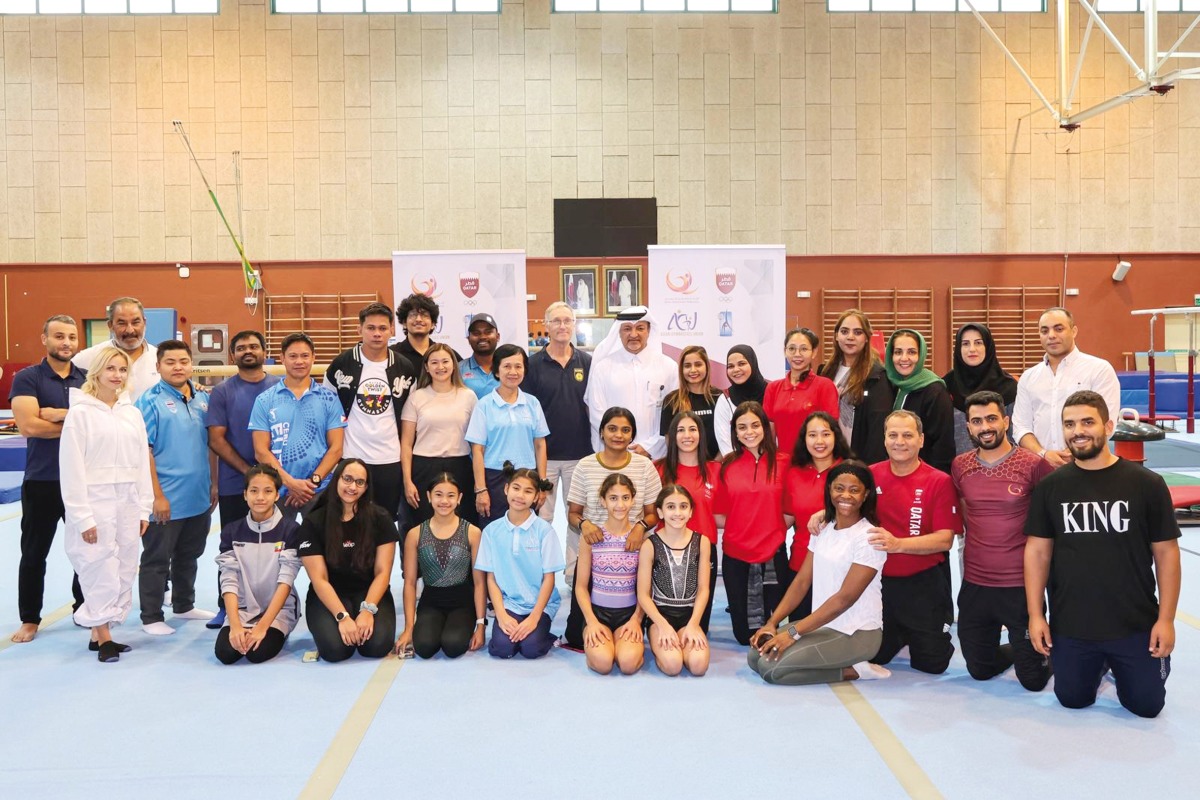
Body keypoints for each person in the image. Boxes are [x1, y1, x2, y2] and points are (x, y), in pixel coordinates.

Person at [1025, 391, 1181, 718]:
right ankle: (1094, 666)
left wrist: (1165, 620)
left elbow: (1166, 554)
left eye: (1087, 422)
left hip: (1134, 622)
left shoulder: (1147, 484)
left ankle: (1121, 665)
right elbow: (1037, 552)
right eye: (1069, 424)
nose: (1078, 431)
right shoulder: (1050, 488)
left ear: (1108, 426)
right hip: (1073, 623)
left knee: (1147, 706)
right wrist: (1036, 615)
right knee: (1072, 698)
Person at [749, 461, 890, 685]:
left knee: (770, 669)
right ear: (829, 490)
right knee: (755, 657)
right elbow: (802, 581)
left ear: (866, 495)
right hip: (824, 626)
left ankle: (855, 671)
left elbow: (844, 599)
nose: (846, 495)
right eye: (839, 488)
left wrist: (793, 633)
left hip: (857, 633)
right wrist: (772, 623)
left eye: (854, 490)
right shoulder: (823, 528)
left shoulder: (869, 538)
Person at [952, 390, 1053, 690]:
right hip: (976, 584)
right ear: (968, 427)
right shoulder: (960, 465)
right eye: (977, 421)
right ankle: (1019, 651)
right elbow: (968, 514)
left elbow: (1048, 524)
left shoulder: (1033, 464)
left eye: (992, 418)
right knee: (980, 670)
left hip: (1019, 585)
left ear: (1006, 421)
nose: (986, 427)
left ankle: (1056, 650)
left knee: (1033, 681)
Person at [59, 347, 153, 662]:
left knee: (125, 565)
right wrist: (82, 516)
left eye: (122, 369)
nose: (117, 375)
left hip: (127, 498)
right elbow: (71, 469)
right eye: (110, 368)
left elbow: (142, 462)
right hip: (94, 499)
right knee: (98, 565)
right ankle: (104, 638)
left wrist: (143, 507)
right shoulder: (80, 413)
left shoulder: (132, 413)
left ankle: (99, 630)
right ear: (96, 372)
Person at [8, 314, 87, 644]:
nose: (66, 342)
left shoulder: (87, 379)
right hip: (42, 480)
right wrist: (76, 423)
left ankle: (84, 607)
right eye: (58, 336)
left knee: (86, 551)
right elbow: (29, 426)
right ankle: (29, 618)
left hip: (81, 480)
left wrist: (57, 415)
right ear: (45, 339)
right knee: (34, 552)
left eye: (71, 337)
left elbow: (98, 424)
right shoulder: (27, 378)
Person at [864, 410, 962, 674]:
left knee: (933, 664)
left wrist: (898, 544)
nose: (900, 442)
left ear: (921, 439)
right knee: (875, 656)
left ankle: (923, 631)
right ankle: (899, 633)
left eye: (907, 435)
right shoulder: (869, 476)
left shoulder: (939, 481)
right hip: (880, 584)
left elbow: (945, 540)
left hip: (924, 584)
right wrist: (822, 514)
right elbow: (843, 507)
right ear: (884, 439)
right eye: (893, 435)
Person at [563, 407, 662, 648]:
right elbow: (573, 514)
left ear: (632, 436)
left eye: (625, 430)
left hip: (633, 553)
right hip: (594, 553)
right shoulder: (585, 466)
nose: (618, 435)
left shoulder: (644, 466)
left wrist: (640, 527)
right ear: (601, 432)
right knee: (577, 636)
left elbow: (654, 515)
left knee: (635, 638)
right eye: (612, 429)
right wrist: (585, 525)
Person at [136, 340, 217, 635]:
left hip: (198, 495)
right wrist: (156, 496)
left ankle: (183, 604)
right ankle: (151, 615)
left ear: (191, 364)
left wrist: (214, 484)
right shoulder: (149, 401)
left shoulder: (203, 399)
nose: (177, 367)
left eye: (183, 361)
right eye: (170, 362)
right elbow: (143, 450)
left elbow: (211, 445)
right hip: (166, 497)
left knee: (189, 554)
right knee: (157, 559)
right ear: (158, 367)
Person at [206, 329, 280, 629]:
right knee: (233, 548)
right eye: (241, 348)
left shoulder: (279, 387)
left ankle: (273, 605)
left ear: (265, 352)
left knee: (276, 548)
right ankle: (227, 606)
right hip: (236, 484)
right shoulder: (223, 392)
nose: (247, 351)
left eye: (253, 346)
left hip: (276, 484)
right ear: (232, 356)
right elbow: (217, 439)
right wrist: (248, 472)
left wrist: (271, 476)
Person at [325, 302, 417, 526]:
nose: (377, 334)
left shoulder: (404, 368)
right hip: (351, 457)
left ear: (392, 330)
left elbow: (408, 420)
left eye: (383, 328)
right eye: (371, 328)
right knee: (348, 524)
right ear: (360, 330)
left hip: (389, 460)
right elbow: (327, 412)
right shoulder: (340, 365)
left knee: (384, 526)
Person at [298, 458, 398, 662]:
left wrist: (368, 611)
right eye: (348, 479)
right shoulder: (313, 521)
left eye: (360, 482)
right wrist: (342, 617)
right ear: (336, 480)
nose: (353, 487)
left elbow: (383, 573)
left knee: (376, 647)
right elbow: (320, 579)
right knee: (335, 650)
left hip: (369, 591)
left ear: (366, 487)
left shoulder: (381, 518)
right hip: (329, 593)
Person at [714, 401, 793, 646]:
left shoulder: (784, 462)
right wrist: (743, 528)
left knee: (770, 630)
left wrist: (771, 530)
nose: (749, 432)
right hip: (736, 555)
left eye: (755, 425)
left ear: (765, 427)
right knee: (742, 636)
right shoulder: (726, 465)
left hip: (773, 555)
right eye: (742, 427)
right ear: (735, 433)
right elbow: (718, 514)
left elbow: (791, 510)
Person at [250, 333, 346, 520]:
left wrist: (312, 482)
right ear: (282, 359)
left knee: (321, 546)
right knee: (278, 548)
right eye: (293, 356)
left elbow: (336, 448)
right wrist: (290, 483)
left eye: (304, 356)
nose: (299, 361)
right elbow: (261, 451)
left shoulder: (329, 398)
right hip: (277, 490)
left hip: (318, 490)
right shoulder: (265, 400)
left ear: (313, 358)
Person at [213, 465, 302, 665]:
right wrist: (235, 625)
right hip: (242, 610)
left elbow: (286, 581)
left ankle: (278, 630)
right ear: (245, 495)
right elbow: (228, 578)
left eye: (268, 491)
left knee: (256, 653)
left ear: (277, 495)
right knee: (226, 654)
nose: (260, 497)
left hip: (279, 611)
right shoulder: (232, 531)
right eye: (254, 491)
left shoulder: (290, 530)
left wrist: (262, 627)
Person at [1012, 307, 1121, 468]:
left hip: (1087, 465)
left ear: (1074, 331)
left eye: (1059, 328)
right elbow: (1021, 427)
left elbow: (1106, 422)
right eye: (1044, 331)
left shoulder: (1099, 369)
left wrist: (1073, 452)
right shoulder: (1029, 377)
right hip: (1040, 467)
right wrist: (1043, 453)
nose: (1051, 336)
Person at [474, 464, 564, 659]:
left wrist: (533, 619)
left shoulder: (544, 531)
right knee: (501, 649)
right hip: (510, 605)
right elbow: (491, 578)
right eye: (516, 488)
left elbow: (549, 579)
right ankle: (518, 632)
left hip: (539, 605)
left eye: (528, 491)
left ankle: (546, 636)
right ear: (506, 489)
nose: (520, 495)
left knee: (531, 649)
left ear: (537, 496)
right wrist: (502, 615)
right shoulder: (491, 531)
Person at [394, 473, 486, 659]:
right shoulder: (415, 534)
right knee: (425, 647)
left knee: (453, 646)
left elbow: (479, 583)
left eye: (451, 495)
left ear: (459, 498)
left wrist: (481, 625)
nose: (444, 500)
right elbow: (410, 583)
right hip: (431, 602)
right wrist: (408, 628)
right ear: (429, 496)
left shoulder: (473, 533)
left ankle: (458, 625)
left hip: (462, 603)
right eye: (438, 494)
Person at [522, 301, 592, 524]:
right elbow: (528, 412)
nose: (562, 326)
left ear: (574, 325)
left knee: (578, 519)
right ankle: (542, 560)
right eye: (556, 321)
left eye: (567, 321)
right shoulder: (531, 365)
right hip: (545, 456)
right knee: (542, 518)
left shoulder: (588, 362)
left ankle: (575, 562)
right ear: (547, 325)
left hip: (580, 455)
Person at [466, 344, 549, 527]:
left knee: (526, 531)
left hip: (528, 477)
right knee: (493, 532)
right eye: (507, 366)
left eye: (518, 366)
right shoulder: (484, 405)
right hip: (494, 479)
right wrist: (481, 489)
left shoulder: (532, 403)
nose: (513, 371)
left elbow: (540, 444)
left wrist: (541, 484)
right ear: (496, 370)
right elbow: (477, 450)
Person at [782, 411, 853, 618]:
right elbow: (786, 519)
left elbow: (863, 517)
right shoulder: (794, 474)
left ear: (836, 436)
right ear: (804, 439)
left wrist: (828, 513)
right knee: (798, 634)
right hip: (800, 565)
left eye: (825, 434)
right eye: (812, 435)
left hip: (841, 568)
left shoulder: (850, 471)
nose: (819, 441)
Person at [637, 484, 712, 677]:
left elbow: (704, 589)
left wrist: (695, 624)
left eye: (683, 506)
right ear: (660, 512)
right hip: (660, 616)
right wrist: (662, 625)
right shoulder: (650, 544)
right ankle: (664, 647)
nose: (677, 512)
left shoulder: (702, 542)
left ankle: (683, 640)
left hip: (690, 616)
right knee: (672, 665)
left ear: (691, 511)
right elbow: (643, 595)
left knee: (698, 666)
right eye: (670, 507)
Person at [585, 306, 678, 459]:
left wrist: (650, 447)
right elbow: (597, 413)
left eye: (640, 328)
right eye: (627, 328)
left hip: (656, 456)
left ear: (649, 331)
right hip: (614, 456)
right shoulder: (603, 368)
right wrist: (621, 445)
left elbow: (674, 414)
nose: (633, 334)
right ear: (619, 333)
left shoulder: (669, 367)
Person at [401, 343, 478, 526]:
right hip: (423, 468)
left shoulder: (468, 396)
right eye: (434, 362)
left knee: (461, 526)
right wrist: (407, 481)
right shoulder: (416, 397)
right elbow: (406, 444)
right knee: (422, 526)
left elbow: (477, 444)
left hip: (460, 467)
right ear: (426, 367)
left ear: (454, 365)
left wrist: (479, 482)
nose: (440, 367)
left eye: (445, 361)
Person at [655, 411, 719, 631]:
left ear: (701, 434)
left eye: (693, 429)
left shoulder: (715, 470)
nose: (687, 435)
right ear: (672, 436)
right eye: (680, 430)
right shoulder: (658, 469)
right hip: (665, 553)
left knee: (697, 632)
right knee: (668, 633)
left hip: (703, 553)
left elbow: (723, 516)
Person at [576, 473, 645, 675]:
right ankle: (603, 646)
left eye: (625, 498)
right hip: (598, 614)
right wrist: (591, 621)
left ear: (633, 500)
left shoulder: (641, 539)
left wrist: (636, 620)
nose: (620, 505)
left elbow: (646, 589)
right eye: (613, 498)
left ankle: (622, 645)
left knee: (628, 664)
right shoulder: (591, 536)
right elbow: (580, 586)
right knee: (604, 664)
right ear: (603, 501)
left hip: (628, 614)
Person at [817, 309, 893, 466]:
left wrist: (866, 469)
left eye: (857, 332)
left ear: (866, 338)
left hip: (858, 462)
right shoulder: (824, 372)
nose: (850, 337)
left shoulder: (877, 376)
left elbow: (877, 432)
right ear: (837, 336)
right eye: (844, 331)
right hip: (826, 458)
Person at [885, 328, 955, 474]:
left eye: (911, 352)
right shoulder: (888, 385)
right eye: (898, 352)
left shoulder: (935, 391)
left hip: (925, 476)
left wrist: (936, 480)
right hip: (893, 472)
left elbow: (943, 444)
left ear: (921, 355)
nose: (904, 358)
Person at [942, 323, 1018, 455]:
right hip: (957, 468)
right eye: (965, 344)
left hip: (1003, 468)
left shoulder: (1009, 386)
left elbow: (1015, 435)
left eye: (978, 343)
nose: (972, 349)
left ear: (988, 347)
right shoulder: (945, 386)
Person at [762, 328, 839, 458]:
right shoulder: (773, 388)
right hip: (782, 462)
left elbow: (830, 431)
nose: (797, 354)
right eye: (791, 349)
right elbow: (769, 433)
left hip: (815, 462)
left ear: (814, 352)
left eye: (804, 349)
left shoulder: (825, 386)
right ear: (785, 351)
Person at [72, 296, 159, 401]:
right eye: (122, 323)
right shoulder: (90, 357)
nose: (130, 330)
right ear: (110, 325)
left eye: (135, 322)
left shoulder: (159, 358)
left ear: (144, 323)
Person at [659, 344, 720, 457]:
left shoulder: (720, 398)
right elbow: (669, 439)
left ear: (706, 366)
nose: (693, 370)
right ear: (681, 369)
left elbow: (726, 436)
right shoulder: (671, 400)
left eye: (698, 364)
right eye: (687, 366)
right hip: (684, 467)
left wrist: (716, 464)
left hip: (715, 467)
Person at [713, 344, 769, 457]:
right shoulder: (725, 399)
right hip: (737, 466)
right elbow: (725, 444)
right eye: (731, 366)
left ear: (753, 363)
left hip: (771, 464)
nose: (736, 370)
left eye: (742, 364)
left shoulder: (771, 392)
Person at [392, 292, 455, 371]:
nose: (418, 319)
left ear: (433, 324)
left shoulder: (445, 353)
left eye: (425, 315)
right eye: (413, 315)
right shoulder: (392, 354)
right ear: (404, 323)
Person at [459, 313, 501, 399]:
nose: (482, 337)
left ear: (497, 337)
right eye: (476, 333)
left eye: (488, 332)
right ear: (468, 339)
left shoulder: (509, 367)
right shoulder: (458, 370)